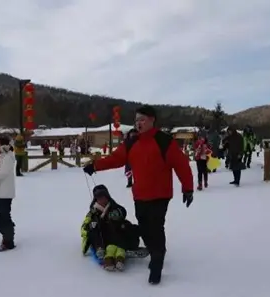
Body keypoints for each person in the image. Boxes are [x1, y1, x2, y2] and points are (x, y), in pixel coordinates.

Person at [83, 105, 194, 285]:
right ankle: (154, 250)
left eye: (142, 119)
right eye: (136, 120)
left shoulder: (164, 141)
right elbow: (115, 159)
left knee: (156, 227)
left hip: (160, 194)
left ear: (152, 120)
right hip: (140, 194)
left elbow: (181, 164)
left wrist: (187, 188)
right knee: (144, 226)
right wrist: (95, 166)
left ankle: (157, 262)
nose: (138, 123)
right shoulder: (132, 142)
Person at [80, 184, 145, 271]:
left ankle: (126, 250)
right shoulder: (93, 212)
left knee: (126, 226)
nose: (102, 200)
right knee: (93, 227)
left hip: (117, 232)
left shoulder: (114, 207)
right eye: (99, 198)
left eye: (103, 197)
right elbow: (86, 225)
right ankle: (101, 250)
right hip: (104, 237)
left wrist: (116, 215)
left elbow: (122, 211)